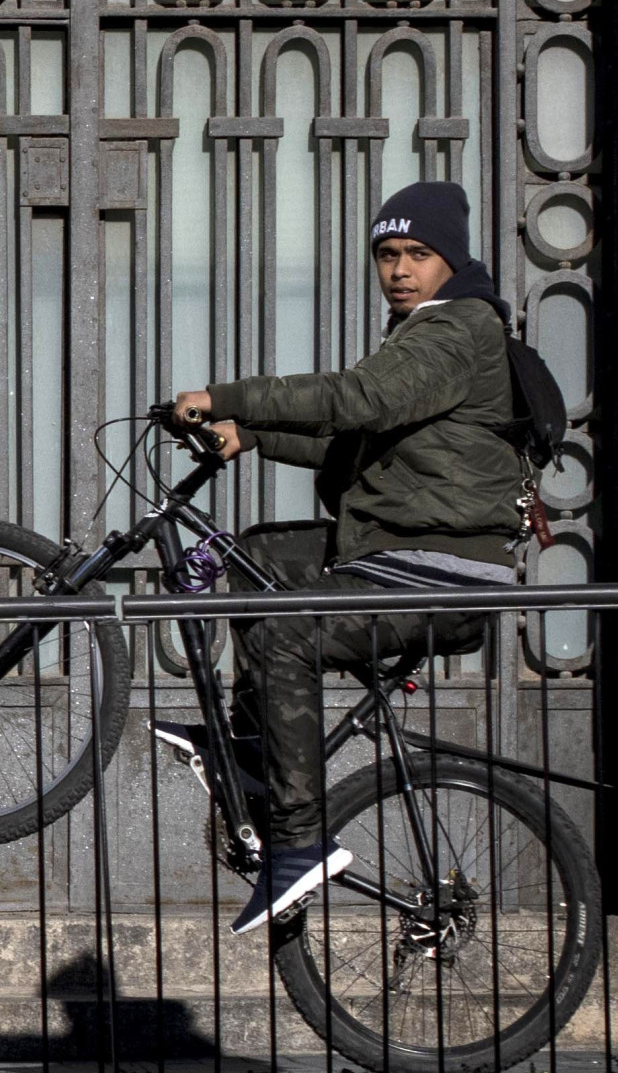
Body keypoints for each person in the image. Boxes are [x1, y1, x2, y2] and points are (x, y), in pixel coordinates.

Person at [159, 181, 539, 936]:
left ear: (451, 262)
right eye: (387, 254)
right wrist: (251, 433)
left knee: (284, 633)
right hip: (397, 548)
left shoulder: (458, 329)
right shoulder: (421, 330)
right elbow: (359, 439)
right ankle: (252, 758)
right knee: (253, 555)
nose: (399, 268)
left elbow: (358, 399)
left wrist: (227, 394)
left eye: (417, 254)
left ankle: (297, 842)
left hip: (443, 572)